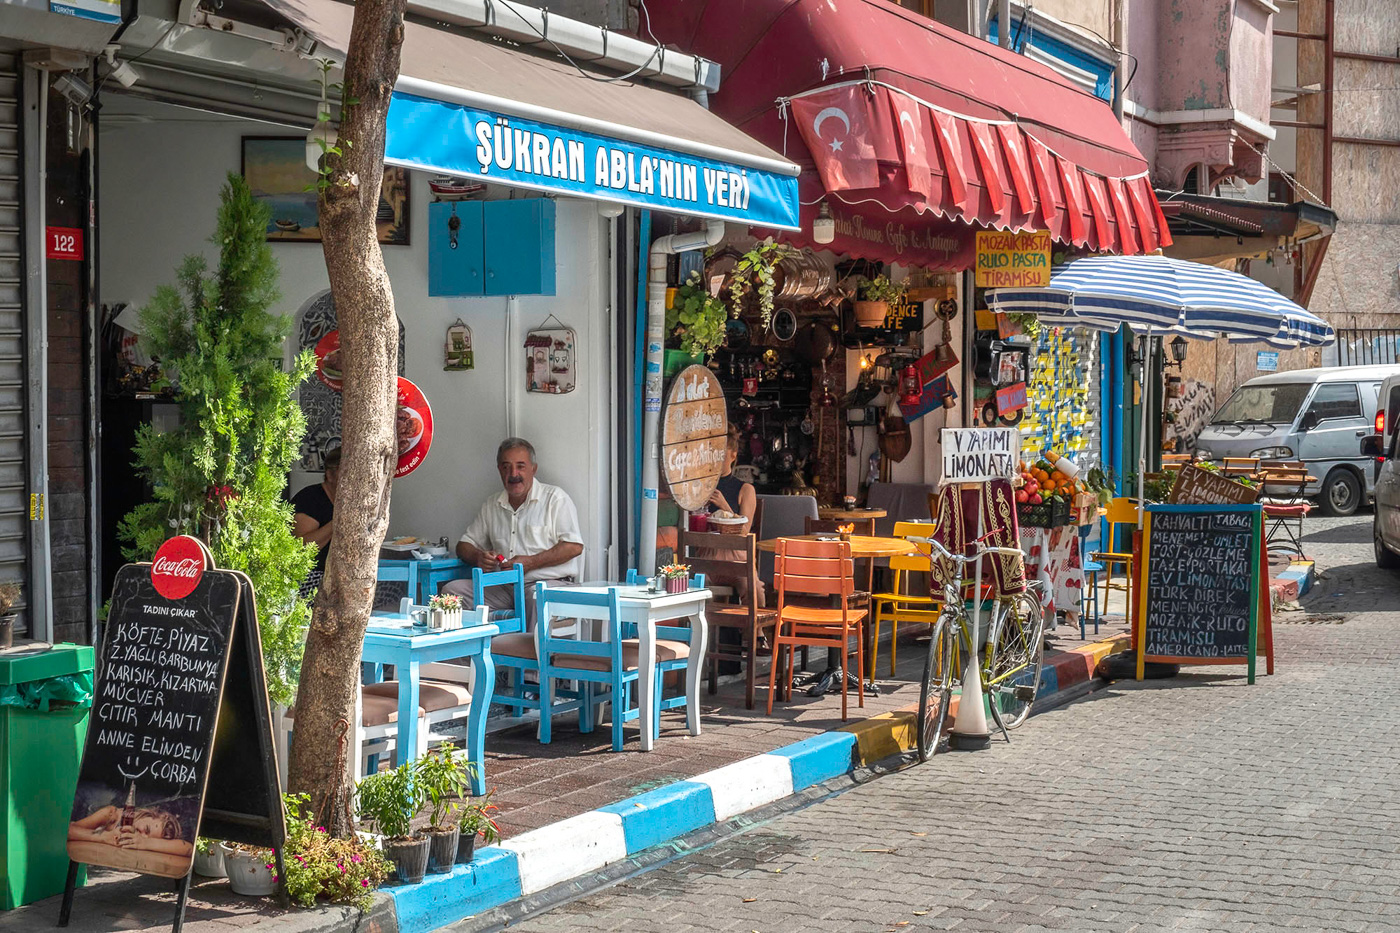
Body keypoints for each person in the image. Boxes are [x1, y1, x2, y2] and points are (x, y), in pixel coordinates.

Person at [444, 438, 583, 623]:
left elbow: (574, 547)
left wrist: (531, 563)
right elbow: (464, 545)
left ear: (533, 469)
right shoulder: (492, 504)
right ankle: (475, 651)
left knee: (535, 598)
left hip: (547, 584)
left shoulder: (555, 499)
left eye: (520, 466)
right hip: (504, 587)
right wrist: (479, 556)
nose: (513, 474)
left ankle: (529, 653)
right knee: (452, 592)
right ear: (499, 470)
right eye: (506, 467)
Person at [291, 446, 339, 597]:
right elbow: (302, 547)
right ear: (330, 474)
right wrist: (338, 521)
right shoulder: (310, 498)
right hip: (310, 577)